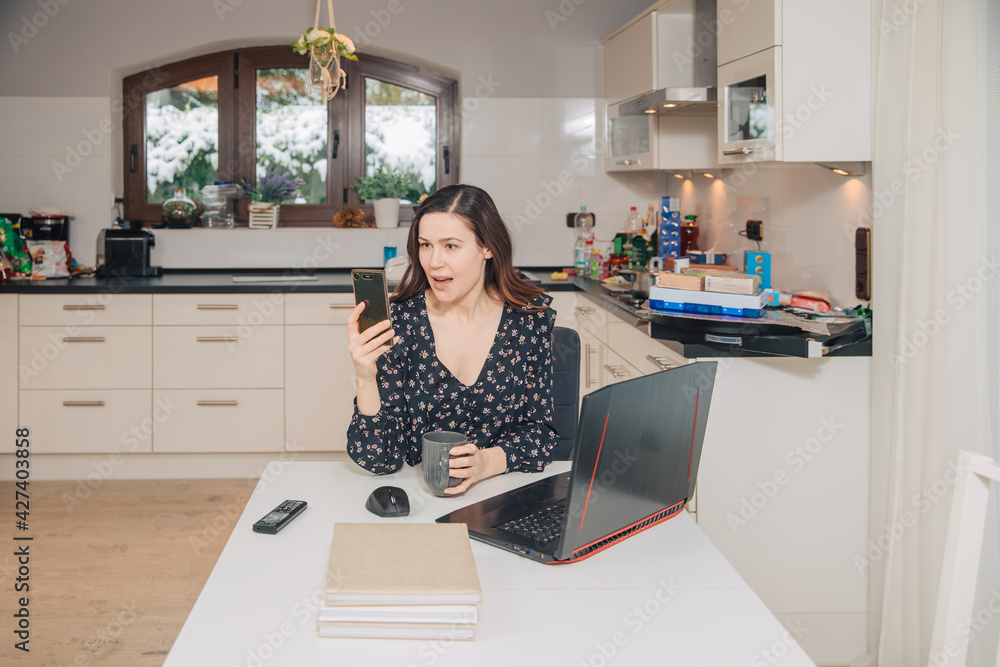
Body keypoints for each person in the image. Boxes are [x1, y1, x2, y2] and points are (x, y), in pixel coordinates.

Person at [346, 184, 557, 494]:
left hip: (504, 492)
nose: (434, 261)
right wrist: (365, 377)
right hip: (420, 497)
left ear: (487, 248)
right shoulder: (401, 322)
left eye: (451, 246)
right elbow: (379, 459)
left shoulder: (528, 321)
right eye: (425, 245)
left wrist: (484, 464)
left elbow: (540, 435)